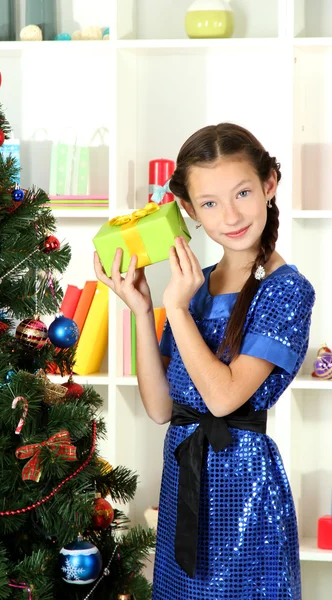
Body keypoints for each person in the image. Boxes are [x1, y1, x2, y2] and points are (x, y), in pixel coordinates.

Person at [93, 122, 315, 599]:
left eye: (242, 193)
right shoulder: (196, 284)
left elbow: (222, 398)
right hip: (183, 481)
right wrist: (140, 308)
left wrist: (176, 308)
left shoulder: (286, 291)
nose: (231, 215)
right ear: (189, 210)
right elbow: (159, 408)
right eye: (210, 203)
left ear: (269, 185)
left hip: (246, 492)